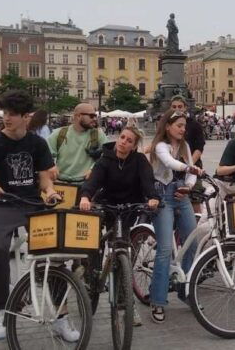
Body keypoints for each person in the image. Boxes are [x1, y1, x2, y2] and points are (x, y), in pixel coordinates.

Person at [0, 90, 67, 341]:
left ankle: (61, 315)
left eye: (13, 114)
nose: (7, 118)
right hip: (2, 204)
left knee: (55, 252)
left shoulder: (37, 143)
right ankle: (1, 310)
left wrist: (50, 191)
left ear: (27, 117)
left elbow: (45, 178)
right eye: (5, 112)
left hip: (31, 204)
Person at [79, 125, 158, 327]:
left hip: (127, 208)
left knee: (122, 252)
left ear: (134, 146)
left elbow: (148, 181)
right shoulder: (105, 159)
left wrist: (153, 197)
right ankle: (92, 274)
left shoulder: (139, 161)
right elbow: (94, 181)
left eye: (129, 140)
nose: (123, 142)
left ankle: (125, 306)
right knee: (95, 243)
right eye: (122, 137)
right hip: (106, 205)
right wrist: (86, 196)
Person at [147, 109, 203, 324]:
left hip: (182, 195)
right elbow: (170, 163)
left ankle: (185, 291)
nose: (182, 129)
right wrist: (191, 168)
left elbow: (190, 172)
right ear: (168, 127)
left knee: (192, 242)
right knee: (164, 250)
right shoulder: (160, 146)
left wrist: (189, 186)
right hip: (163, 196)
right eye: (179, 125)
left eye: (184, 126)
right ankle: (158, 300)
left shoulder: (186, 146)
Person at [46, 103, 107, 182]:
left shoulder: (98, 134)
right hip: (60, 183)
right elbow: (46, 155)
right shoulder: (59, 133)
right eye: (91, 116)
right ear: (78, 116)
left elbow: (108, 156)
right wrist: (52, 166)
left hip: (86, 184)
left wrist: (94, 169)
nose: (95, 119)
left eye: (95, 116)